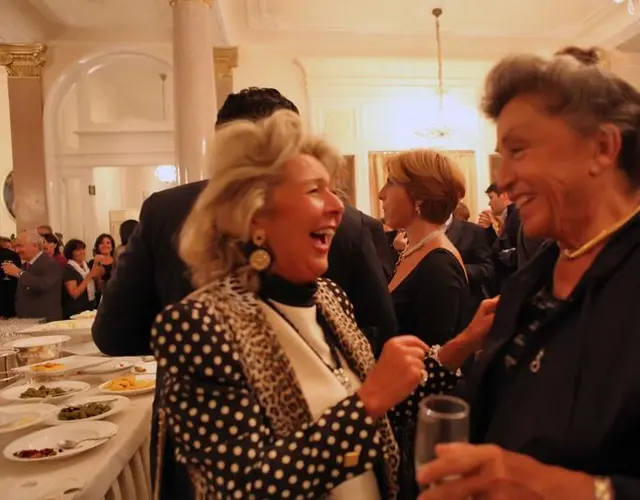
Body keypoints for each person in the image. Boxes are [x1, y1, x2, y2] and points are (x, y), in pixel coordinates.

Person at [152, 110, 496, 499]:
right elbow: (240, 489)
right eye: (315, 190)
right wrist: (368, 401)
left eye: (334, 190)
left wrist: (464, 342)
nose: (337, 206)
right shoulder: (202, 325)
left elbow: (384, 413)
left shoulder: (329, 298)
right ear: (255, 214)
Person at [417, 46, 640, 499]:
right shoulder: (531, 280)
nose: (503, 179)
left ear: (602, 148)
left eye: (518, 150)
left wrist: (574, 490)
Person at [380, 149, 470, 347]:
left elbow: (435, 356)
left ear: (420, 196)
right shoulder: (416, 249)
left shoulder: (439, 265)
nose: (381, 194)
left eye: (390, 182)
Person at [1, 230, 62, 320]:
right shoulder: (24, 265)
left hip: (45, 320)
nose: (17, 250)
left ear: (35, 245)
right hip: (26, 318)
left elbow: (43, 285)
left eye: (20, 246)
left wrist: (19, 273)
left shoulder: (50, 263)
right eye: (16, 247)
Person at [61, 239, 101, 319]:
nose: (82, 252)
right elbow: (74, 294)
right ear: (70, 252)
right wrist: (90, 275)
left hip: (90, 306)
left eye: (83, 249)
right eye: (78, 250)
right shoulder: (69, 269)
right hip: (75, 311)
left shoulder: (86, 265)